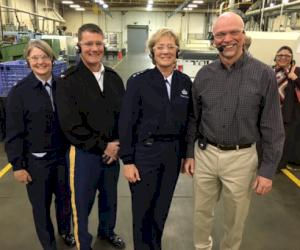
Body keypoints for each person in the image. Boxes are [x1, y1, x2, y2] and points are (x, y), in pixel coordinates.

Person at [184, 12, 285, 250]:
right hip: (205, 154)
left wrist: (267, 170)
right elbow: (193, 118)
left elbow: (272, 125)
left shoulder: (263, 74)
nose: (227, 39)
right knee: (201, 213)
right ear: (214, 39)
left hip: (242, 158)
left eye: (233, 33)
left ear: (243, 36)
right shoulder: (204, 75)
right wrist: (189, 153)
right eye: (220, 34)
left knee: (235, 218)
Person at [119, 28, 192, 250]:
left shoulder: (184, 82)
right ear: (152, 51)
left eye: (170, 46)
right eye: (160, 47)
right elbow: (126, 122)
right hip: (145, 155)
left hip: (172, 155)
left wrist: (187, 154)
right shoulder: (138, 81)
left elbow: (190, 121)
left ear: (177, 51)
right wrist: (128, 160)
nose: (166, 51)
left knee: (161, 209)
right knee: (143, 211)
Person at [55, 23, 125, 250]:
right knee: (81, 204)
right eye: (89, 44)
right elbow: (70, 125)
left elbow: (123, 115)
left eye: (98, 43)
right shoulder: (68, 80)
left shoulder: (114, 78)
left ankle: (106, 232)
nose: (94, 48)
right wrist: (103, 145)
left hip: (112, 153)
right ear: (79, 46)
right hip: (83, 154)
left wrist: (117, 144)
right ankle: (82, 243)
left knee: (109, 198)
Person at [5, 40, 75, 250]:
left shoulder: (62, 86)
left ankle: (65, 231)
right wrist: (17, 165)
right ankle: (48, 243)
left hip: (62, 157)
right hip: (36, 162)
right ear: (28, 61)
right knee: (41, 207)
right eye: (35, 58)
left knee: (64, 201)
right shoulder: (19, 93)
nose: (40, 62)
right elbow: (13, 132)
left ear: (52, 60)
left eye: (44, 57)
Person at [274, 46, 300, 171]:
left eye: (287, 56)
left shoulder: (297, 71)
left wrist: (296, 79)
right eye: (280, 55)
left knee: (285, 141)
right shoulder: (270, 71)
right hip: (271, 113)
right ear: (276, 57)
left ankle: (280, 165)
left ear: (291, 58)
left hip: (288, 114)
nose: (283, 57)